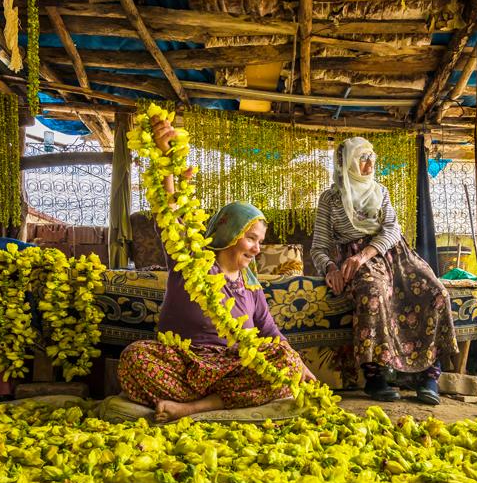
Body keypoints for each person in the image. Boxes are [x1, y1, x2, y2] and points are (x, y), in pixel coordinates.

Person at [118, 120, 315, 421]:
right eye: (251, 238)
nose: (257, 248)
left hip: (233, 369)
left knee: (284, 361)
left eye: (260, 241)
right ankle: (222, 401)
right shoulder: (193, 263)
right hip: (183, 364)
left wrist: (299, 364)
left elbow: (271, 333)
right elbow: (171, 214)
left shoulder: (251, 287)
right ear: (228, 234)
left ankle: (196, 408)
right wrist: (166, 158)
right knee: (135, 358)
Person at [311, 136, 457, 404]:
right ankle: (375, 376)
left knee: (435, 291)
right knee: (373, 292)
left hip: (393, 253)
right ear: (347, 163)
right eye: (362, 158)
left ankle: (428, 376)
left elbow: (392, 229)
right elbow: (319, 246)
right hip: (355, 258)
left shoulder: (381, 191)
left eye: (371, 157)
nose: (369, 164)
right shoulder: (330, 199)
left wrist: (365, 254)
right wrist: (330, 267)